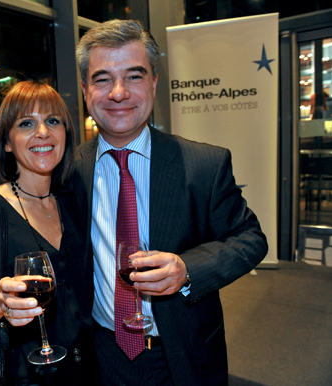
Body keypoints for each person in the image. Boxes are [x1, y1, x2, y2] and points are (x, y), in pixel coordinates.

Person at [71, 19, 269, 386]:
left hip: (183, 355)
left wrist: (186, 269)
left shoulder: (203, 164)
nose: (118, 92)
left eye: (134, 76)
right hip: (100, 356)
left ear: (154, 83)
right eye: (102, 79)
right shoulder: (69, 172)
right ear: (85, 90)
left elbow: (251, 239)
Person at [0, 80, 99, 385]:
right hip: (24, 378)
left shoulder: (73, 202)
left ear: (65, 136)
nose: (43, 132)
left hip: (89, 372)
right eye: (27, 123)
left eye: (53, 121)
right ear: (7, 142)